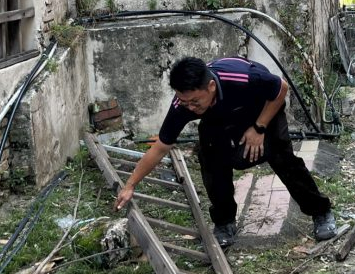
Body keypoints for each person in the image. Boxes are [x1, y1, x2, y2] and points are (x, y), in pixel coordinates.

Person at [114, 56, 337, 248]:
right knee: (210, 159)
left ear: (210, 86)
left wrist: (259, 128)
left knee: (282, 157)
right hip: (219, 117)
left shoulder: (242, 78)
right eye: (184, 102)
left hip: (263, 108)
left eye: (194, 101)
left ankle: (320, 211)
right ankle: (224, 222)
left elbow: (281, 89)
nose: (190, 107)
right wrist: (130, 185)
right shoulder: (182, 106)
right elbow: (161, 147)